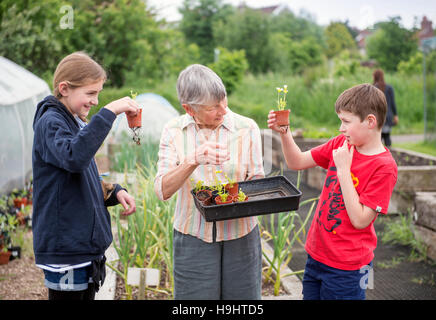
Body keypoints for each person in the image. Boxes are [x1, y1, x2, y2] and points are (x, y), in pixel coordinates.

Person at [267, 83, 398, 300]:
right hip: (316, 256)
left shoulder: (384, 167)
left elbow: (361, 220)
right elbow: (296, 161)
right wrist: (285, 133)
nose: (341, 128)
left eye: (346, 122)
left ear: (370, 121)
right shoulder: (341, 144)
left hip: (350, 268)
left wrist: (344, 170)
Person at [32, 52, 139, 300]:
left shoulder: (71, 121)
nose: (95, 101)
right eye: (90, 94)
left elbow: (81, 173)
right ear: (64, 88)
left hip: (80, 248)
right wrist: (110, 111)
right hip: (66, 250)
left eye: (99, 94)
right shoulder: (51, 122)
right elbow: (74, 157)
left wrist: (114, 191)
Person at [154, 64, 265, 300]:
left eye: (223, 100)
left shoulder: (247, 128)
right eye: (213, 106)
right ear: (189, 108)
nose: (223, 110)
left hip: (242, 235)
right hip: (193, 236)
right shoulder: (173, 131)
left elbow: (257, 182)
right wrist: (193, 159)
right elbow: (162, 190)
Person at [373, 69, 398, 147]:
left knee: (378, 138)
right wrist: (395, 115)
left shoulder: (373, 88)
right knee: (387, 137)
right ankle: (389, 155)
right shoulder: (389, 88)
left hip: (377, 117)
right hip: (388, 116)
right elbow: (393, 103)